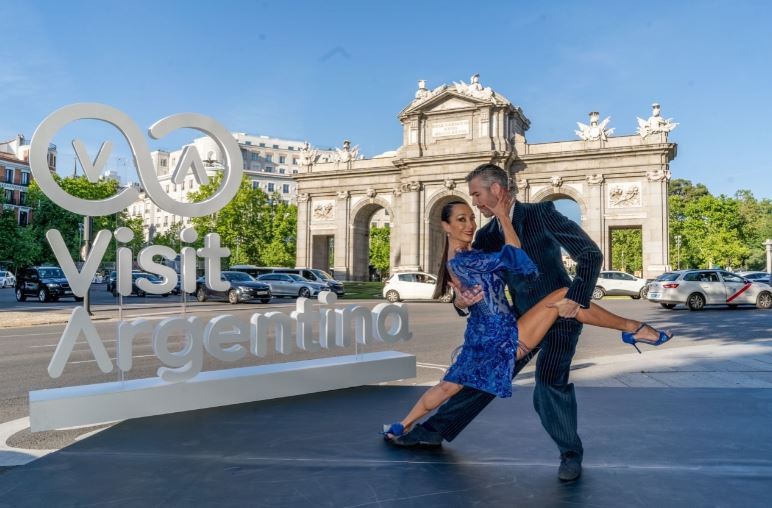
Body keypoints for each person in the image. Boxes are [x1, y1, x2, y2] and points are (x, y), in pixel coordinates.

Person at [389, 163, 626, 482]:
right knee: (481, 379)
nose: (474, 203)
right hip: (517, 322)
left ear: (496, 190)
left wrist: (576, 298)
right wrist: (460, 302)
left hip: (560, 315)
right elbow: (468, 278)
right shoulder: (486, 235)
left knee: (549, 382)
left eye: (476, 195)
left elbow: (589, 254)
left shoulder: (542, 213)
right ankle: (431, 432)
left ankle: (570, 453)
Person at [383, 199, 673, 452]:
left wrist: (460, 300)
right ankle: (633, 327)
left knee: (449, 386)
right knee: (563, 296)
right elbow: (514, 254)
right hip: (504, 336)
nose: (471, 223)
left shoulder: (457, 259)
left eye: (471, 216)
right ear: (445, 226)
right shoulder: (469, 259)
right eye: (462, 219)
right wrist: (503, 216)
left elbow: (466, 292)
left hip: (483, 337)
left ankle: (402, 425)